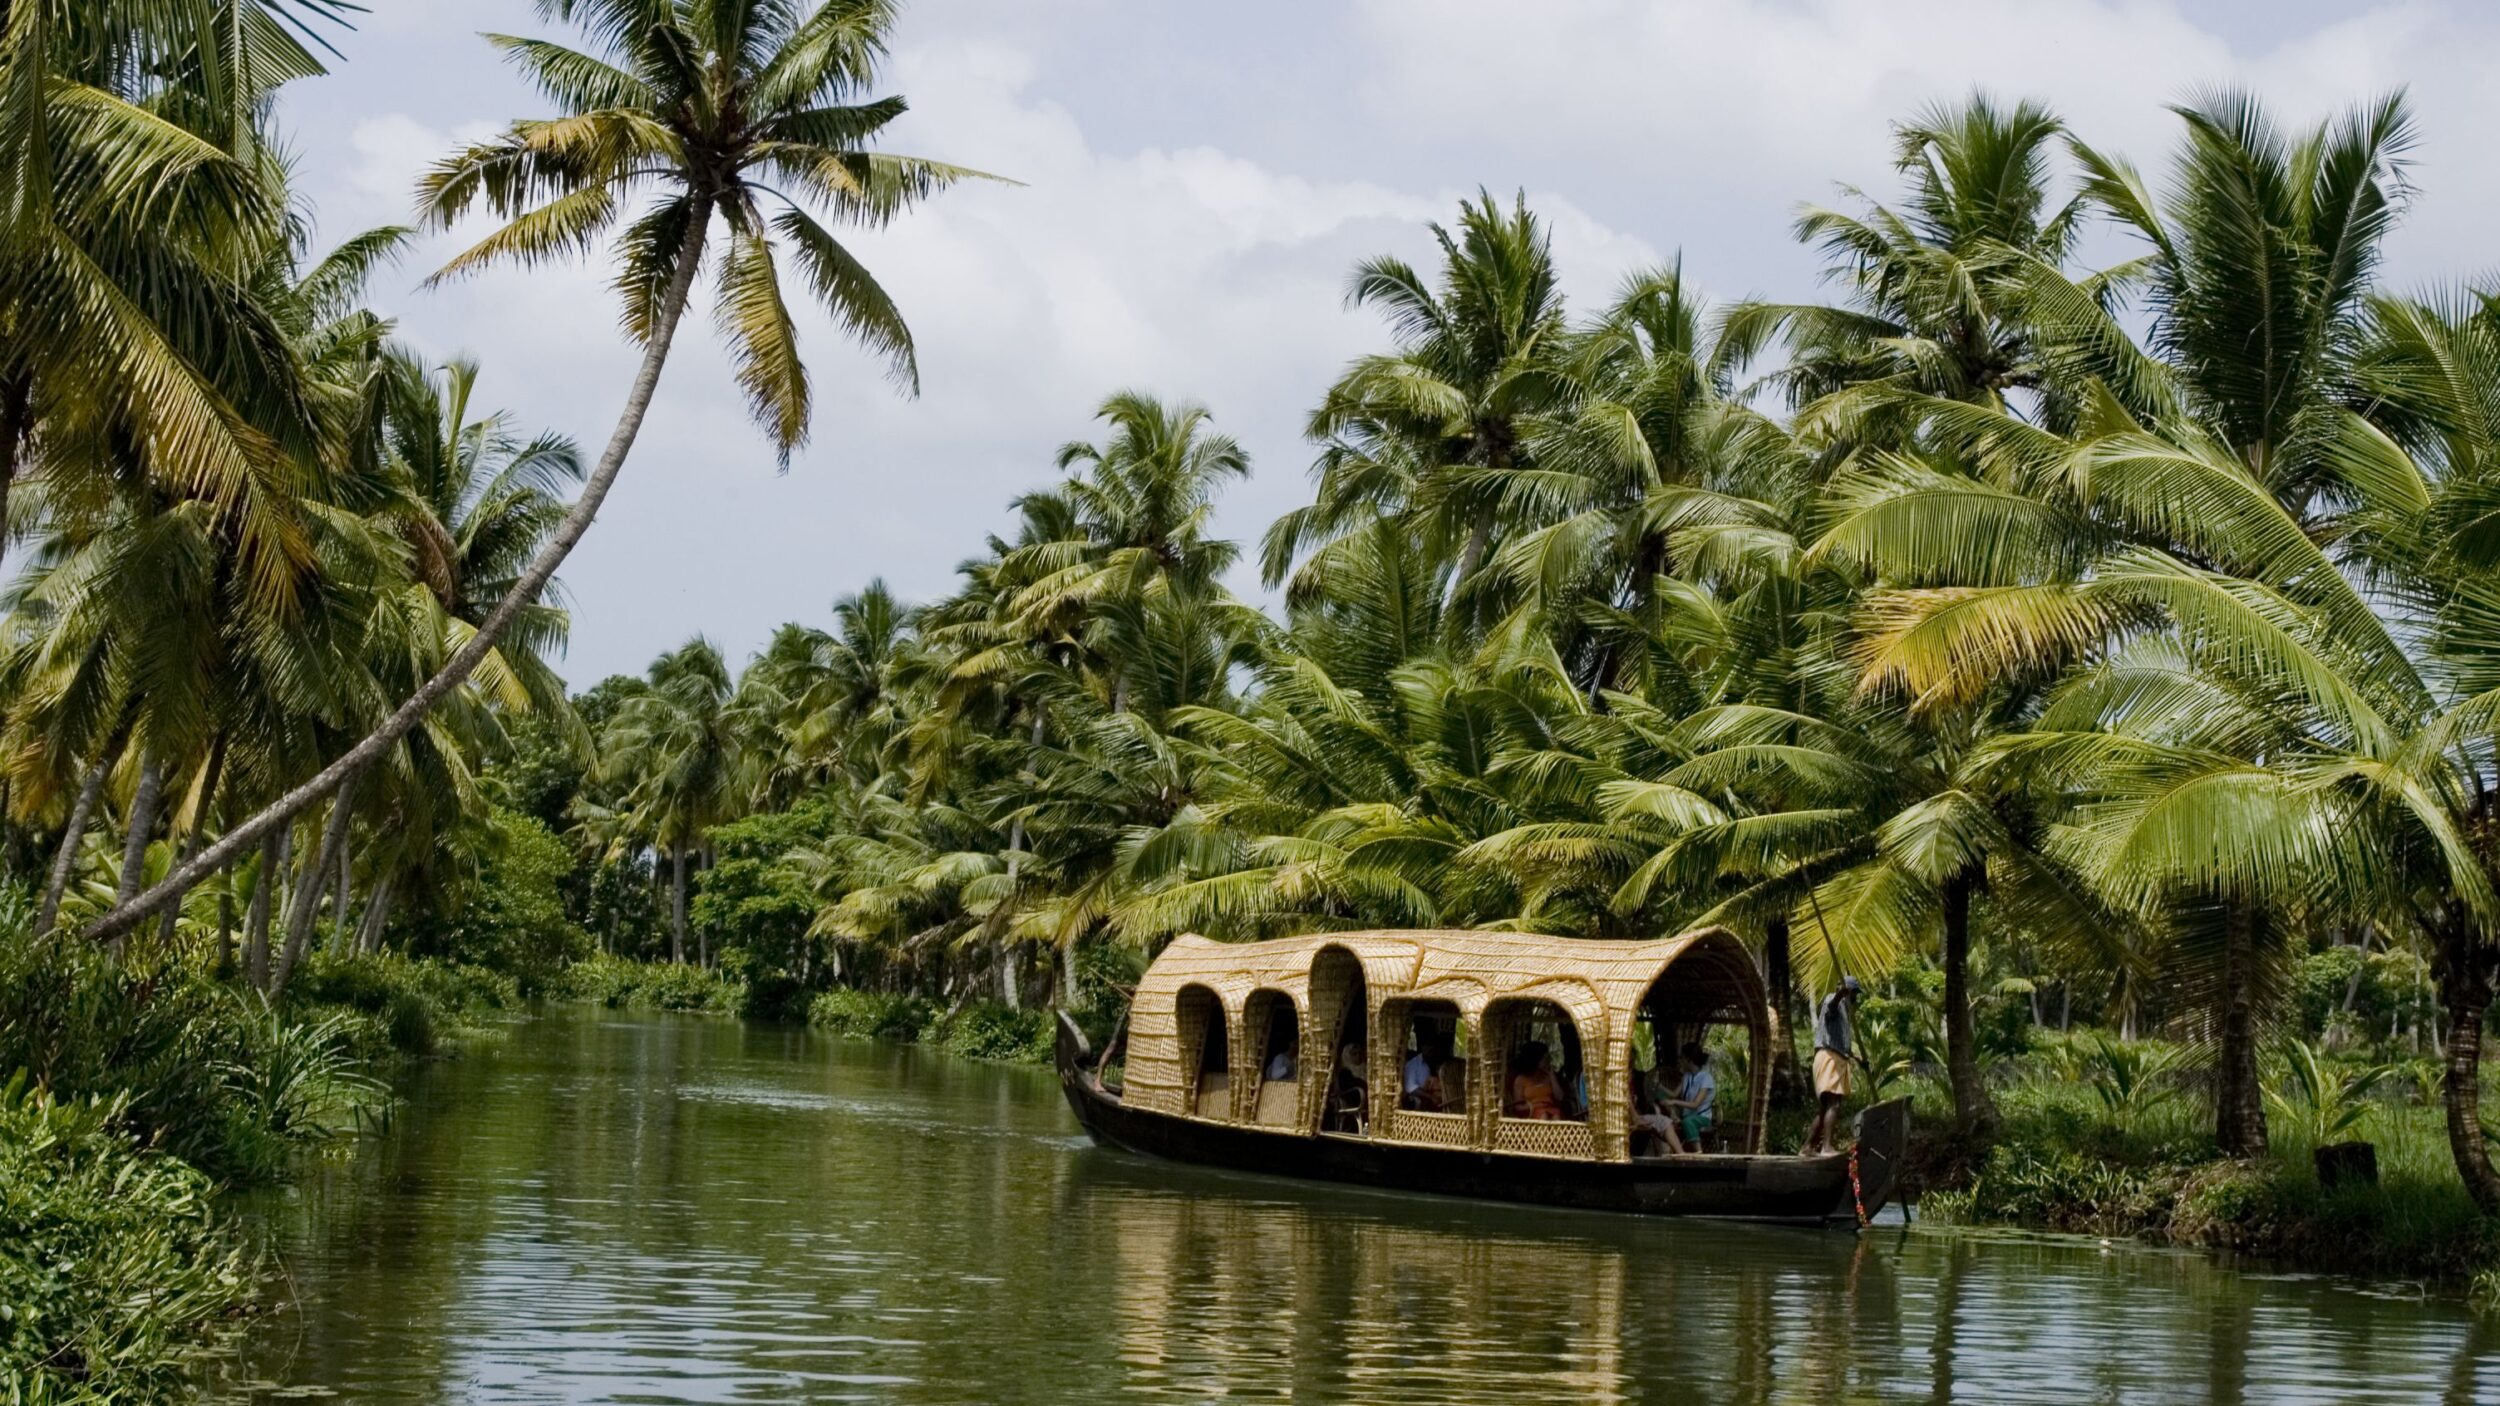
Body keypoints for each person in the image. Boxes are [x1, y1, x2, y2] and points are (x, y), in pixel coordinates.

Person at [1804, 976, 1860, 1156]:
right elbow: (1830, 1009)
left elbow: (1841, 1042)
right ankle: (1826, 1147)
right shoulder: (1834, 1000)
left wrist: (1858, 1059)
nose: (1856, 999)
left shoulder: (1846, 1012)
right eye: (1854, 994)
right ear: (1848, 991)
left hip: (1834, 1056)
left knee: (1826, 1106)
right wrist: (1838, 995)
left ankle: (1808, 1147)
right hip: (1829, 1057)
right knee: (1834, 1104)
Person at [1668, 1042, 1717, 1151]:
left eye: (1682, 1058)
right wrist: (1659, 1086)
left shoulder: (1706, 1078)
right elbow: (1673, 1094)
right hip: (1686, 1116)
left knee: (1688, 1121)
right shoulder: (1687, 1076)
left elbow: (1695, 1105)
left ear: (1689, 1059)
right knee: (1669, 1123)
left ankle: (1698, 1152)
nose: (1680, 1061)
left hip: (1702, 1118)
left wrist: (1675, 1102)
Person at [1506, 1041, 1566, 1120]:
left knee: (1556, 1115)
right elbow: (1518, 1107)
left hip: (1551, 1110)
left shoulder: (1549, 1077)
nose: (1548, 1062)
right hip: (1531, 1115)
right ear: (1536, 1061)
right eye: (1545, 1059)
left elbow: (1560, 1097)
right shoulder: (1520, 1080)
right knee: (1543, 1115)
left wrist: (1552, 1076)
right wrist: (1535, 1106)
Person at [1326, 1040, 1368, 1133]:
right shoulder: (1345, 1073)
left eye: (1359, 1053)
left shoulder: (1366, 1068)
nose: (1358, 1056)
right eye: (1354, 1054)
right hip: (1355, 1102)